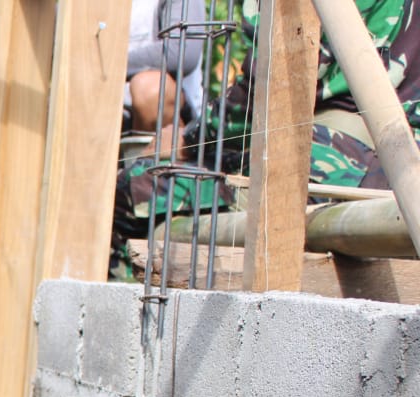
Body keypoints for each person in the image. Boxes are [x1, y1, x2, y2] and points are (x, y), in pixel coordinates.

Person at [111, 0, 420, 278]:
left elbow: (266, 89)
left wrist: (189, 139)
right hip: (404, 174)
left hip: (325, 167)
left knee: (129, 188)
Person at [125, 0, 205, 136]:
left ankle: (167, 147)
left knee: (151, 87)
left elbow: (181, 52)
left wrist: (112, 66)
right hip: (103, 108)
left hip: (163, 115)